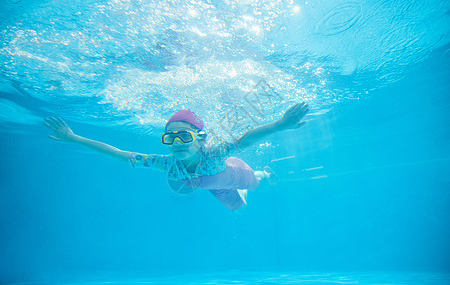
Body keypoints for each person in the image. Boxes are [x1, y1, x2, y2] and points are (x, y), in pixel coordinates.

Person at [44, 102, 309, 211]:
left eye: (184, 136)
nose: (176, 142)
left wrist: (279, 125)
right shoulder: (165, 163)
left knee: (256, 183)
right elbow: (119, 154)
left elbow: (245, 139)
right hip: (213, 187)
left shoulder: (214, 155)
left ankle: (263, 171)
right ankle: (246, 189)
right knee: (239, 208)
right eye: (169, 137)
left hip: (236, 173)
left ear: (201, 138)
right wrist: (73, 137)